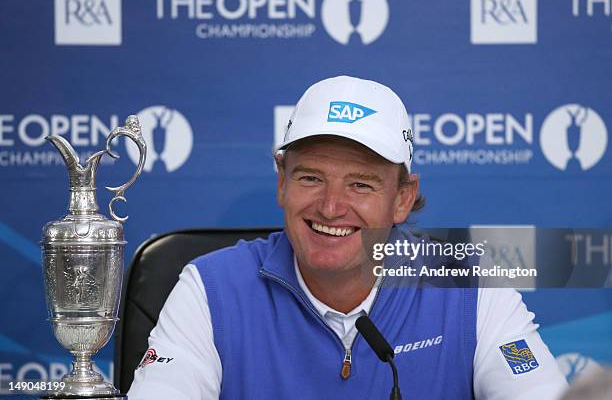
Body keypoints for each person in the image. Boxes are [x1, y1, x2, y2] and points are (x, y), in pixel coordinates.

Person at [128, 76, 568, 399]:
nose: (332, 206)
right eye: (311, 177)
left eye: (361, 184)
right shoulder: (211, 289)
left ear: (402, 198)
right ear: (282, 182)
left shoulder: (472, 286)